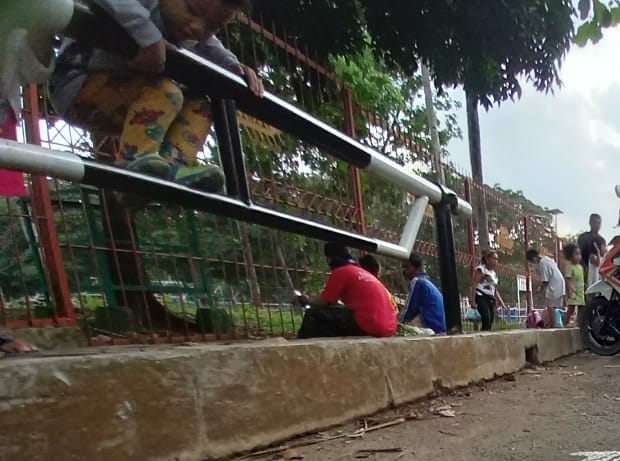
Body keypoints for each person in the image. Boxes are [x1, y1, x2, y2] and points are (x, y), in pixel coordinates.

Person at [50, 0, 265, 193]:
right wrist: (148, 36)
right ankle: (131, 172)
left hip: (129, 102)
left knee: (201, 106)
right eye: (192, 10)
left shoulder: (192, 31)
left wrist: (233, 67)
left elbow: (210, 46)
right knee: (167, 92)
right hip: (78, 85)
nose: (197, 27)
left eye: (212, 26)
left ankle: (172, 167)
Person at [295, 241, 397, 339]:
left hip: (370, 325)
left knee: (313, 313)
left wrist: (307, 300)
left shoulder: (341, 271)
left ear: (330, 259)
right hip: (389, 327)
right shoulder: (362, 272)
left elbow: (324, 302)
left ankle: (302, 345)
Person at [401, 253, 446, 334]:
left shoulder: (417, 282)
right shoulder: (425, 282)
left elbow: (409, 310)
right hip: (440, 326)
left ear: (417, 269)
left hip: (432, 328)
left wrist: (397, 323)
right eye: (403, 267)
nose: (404, 271)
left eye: (407, 267)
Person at [526, 247, 564, 329]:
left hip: (554, 284)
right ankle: (552, 323)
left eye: (532, 262)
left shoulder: (542, 263)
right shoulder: (546, 258)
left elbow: (545, 281)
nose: (534, 264)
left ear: (533, 258)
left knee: (550, 305)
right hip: (559, 282)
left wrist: (540, 290)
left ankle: (553, 325)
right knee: (553, 305)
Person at [469, 250, 507, 332]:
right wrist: (472, 301)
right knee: (486, 319)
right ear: (487, 258)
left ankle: (486, 336)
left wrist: (501, 302)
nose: (495, 261)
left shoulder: (493, 273)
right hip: (481, 296)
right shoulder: (480, 269)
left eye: (497, 259)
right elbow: (474, 285)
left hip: (490, 298)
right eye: (493, 259)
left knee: (490, 321)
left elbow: (494, 289)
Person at [578, 214, 606, 289]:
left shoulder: (602, 239)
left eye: (599, 223)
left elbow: (605, 255)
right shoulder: (583, 237)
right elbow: (579, 254)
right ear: (590, 222)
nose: (598, 225)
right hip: (584, 270)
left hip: (598, 271)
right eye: (596, 222)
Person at [562, 242, 584, 326]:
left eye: (579, 254)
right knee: (571, 308)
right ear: (570, 256)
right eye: (576, 254)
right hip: (573, 292)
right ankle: (565, 323)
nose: (579, 256)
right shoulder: (569, 267)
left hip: (580, 291)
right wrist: (570, 291)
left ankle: (579, 323)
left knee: (581, 308)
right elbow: (568, 280)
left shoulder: (580, 267)